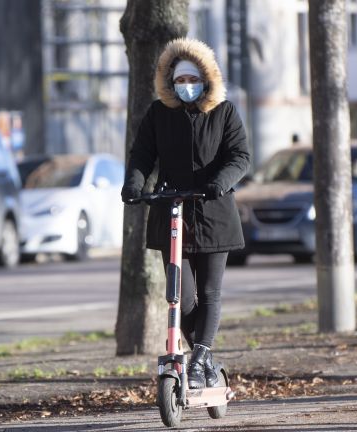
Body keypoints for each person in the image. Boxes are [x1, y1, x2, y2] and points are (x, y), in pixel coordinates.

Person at [121, 38, 250, 389]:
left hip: (214, 212)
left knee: (209, 292)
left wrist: (220, 183)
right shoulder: (158, 114)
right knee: (182, 296)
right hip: (172, 210)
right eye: (179, 80)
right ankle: (204, 357)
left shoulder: (224, 112)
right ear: (169, 82)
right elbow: (142, 155)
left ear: (206, 79)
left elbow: (240, 156)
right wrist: (134, 185)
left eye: (192, 79)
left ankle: (200, 359)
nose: (186, 86)